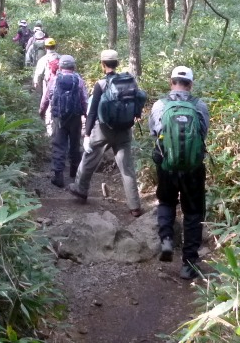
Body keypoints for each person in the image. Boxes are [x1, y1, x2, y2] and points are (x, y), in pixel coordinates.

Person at [69, 49, 146, 217]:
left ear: (103, 65)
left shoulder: (101, 84)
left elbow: (92, 112)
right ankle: (135, 206)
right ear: (117, 64)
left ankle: (80, 190)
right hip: (125, 130)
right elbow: (137, 104)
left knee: (89, 158)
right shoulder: (130, 81)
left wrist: (87, 134)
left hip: (103, 130)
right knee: (127, 168)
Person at [149, 66, 210, 280]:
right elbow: (203, 133)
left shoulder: (160, 105)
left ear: (171, 81)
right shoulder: (199, 106)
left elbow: (155, 133)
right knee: (193, 213)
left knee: (166, 202)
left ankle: (166, 239)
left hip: (167, 165)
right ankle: (189, 264)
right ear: (190, 84)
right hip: (193, 168)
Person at [39, 54, 87, 187]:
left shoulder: (55, 79)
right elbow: (84, 99)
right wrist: (86, 114)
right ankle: (74, 171)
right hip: (75, 117)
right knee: (75, 143)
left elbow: (46, 98)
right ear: (74, 66)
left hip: (59, 117)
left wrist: (42, 111)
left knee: (59, 144)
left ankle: (58, 175)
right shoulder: (78, 80)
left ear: (60, 66)